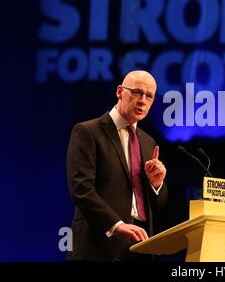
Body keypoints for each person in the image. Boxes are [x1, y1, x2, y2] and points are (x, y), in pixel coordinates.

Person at [66, 70, 168, 261]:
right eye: (137, 92)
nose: (142, 100)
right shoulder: (88, 132)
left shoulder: (148, 142)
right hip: (98, 246)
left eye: (149, 96)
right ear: (120, 92)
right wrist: (117, 224)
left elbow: (159, 204)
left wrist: (156, 185)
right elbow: (81, 189)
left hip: (139, 247)